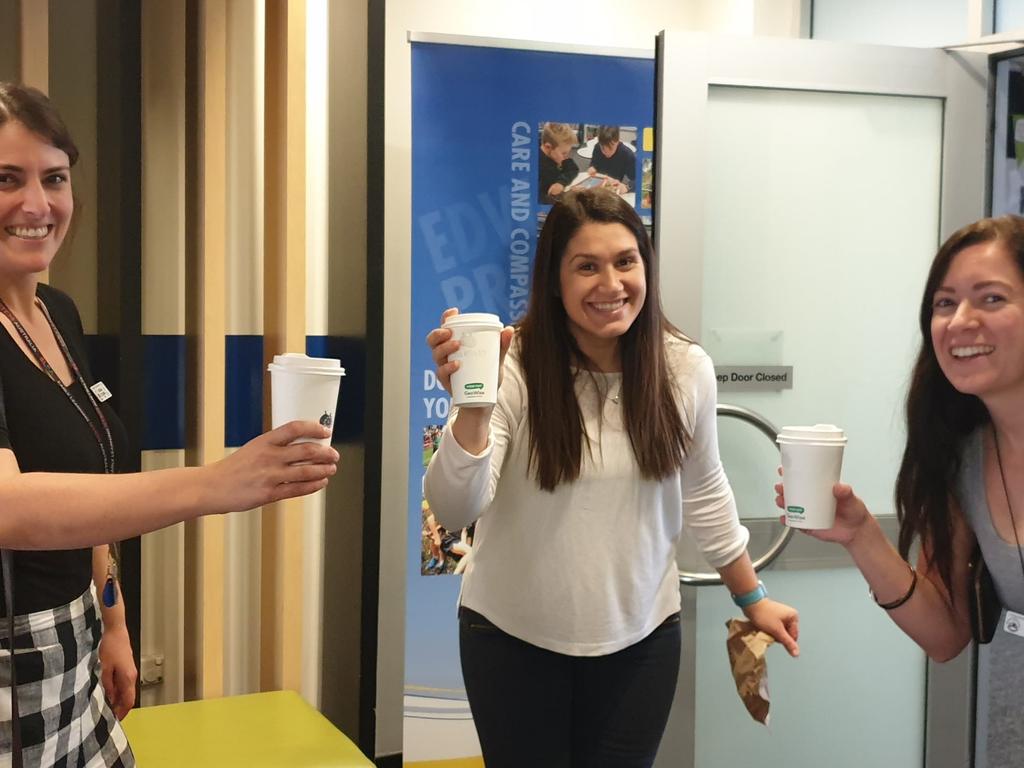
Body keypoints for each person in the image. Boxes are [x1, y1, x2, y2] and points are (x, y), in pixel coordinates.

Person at [0, 82, 339, 766]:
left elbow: (85, 476)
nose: (37, 205)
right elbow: (9, 507)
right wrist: (217, 483)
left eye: (53, 178)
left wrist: (114, 617)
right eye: (6, 180)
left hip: (77, 637)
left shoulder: (56, 313)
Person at [424, 187, 799, 767]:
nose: (611, 284)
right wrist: (474, 404)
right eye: (586, 267)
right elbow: (454, 509)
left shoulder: (684, 368)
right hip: (511, 639)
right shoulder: (514, 364)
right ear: (554, 281)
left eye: (626, 261)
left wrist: (752, 597)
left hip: (641, 642)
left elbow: (705, 490)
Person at [774, 215, 1024, 764]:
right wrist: (861, 535)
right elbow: (944, 636)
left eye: (991, 299)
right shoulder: (964, 457)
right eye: (944, 303)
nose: (961, 321)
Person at [537, 122, 580, 205]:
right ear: (548, 147)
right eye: (564, 153)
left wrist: (560, 183)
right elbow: (542, 201)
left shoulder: (555, 154)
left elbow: (573, 169)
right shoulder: (536, 168)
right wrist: (569, 194)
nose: (566, 157)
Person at [587, 125, 636, 195]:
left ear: (617, 141)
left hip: (613, 189)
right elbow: (594, 163)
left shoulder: (626, 154)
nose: (606, 152)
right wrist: (592, 167)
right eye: (603, 148)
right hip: (598, 185)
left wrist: (627, 187)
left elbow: (639, 179)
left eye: (611, 148)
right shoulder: (597, 147)